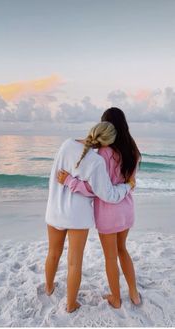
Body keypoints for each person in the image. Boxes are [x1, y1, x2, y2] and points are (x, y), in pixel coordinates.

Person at [45, 121, 134, 313]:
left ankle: (49, 287)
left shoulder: (66, 144)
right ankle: (70, 304)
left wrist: (68, 182)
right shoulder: (96, 161)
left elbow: (54, 174)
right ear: (107, 142)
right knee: (74, 262)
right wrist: (127, 187)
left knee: (53, 252)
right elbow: (107, 194)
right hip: (78, 216)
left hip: (54, 208)